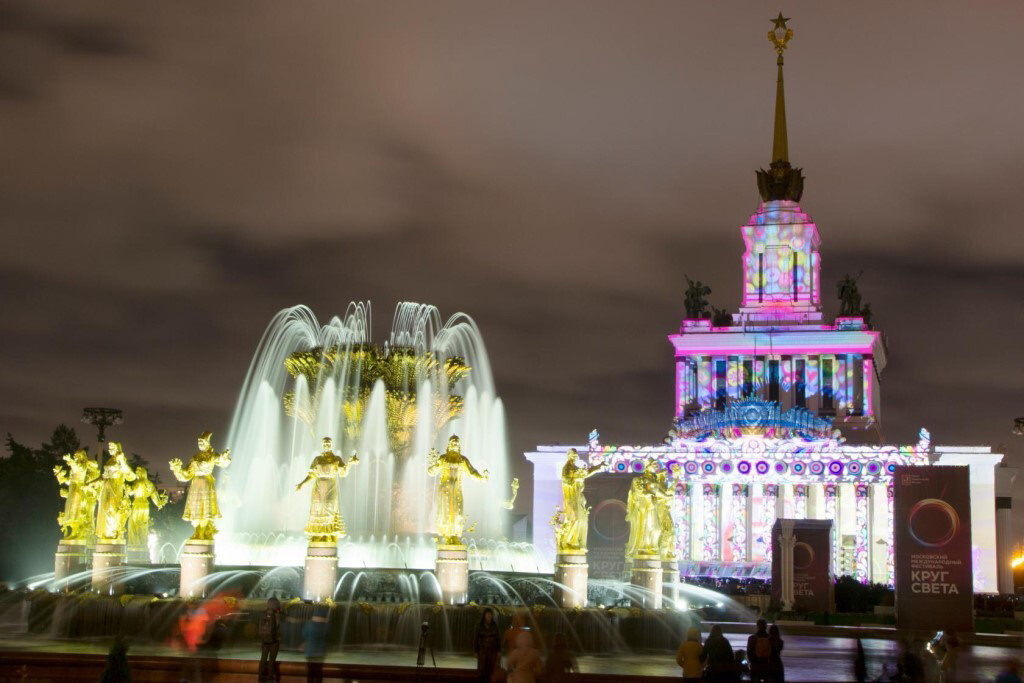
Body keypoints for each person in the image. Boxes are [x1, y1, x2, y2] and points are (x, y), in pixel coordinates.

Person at [303, 605, 330, 683]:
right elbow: (328, 637)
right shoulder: (326, 626)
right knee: (319, 671)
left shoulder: (309, 624)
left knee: (310, 672)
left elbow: (304, 635)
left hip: (310, 652)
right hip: (321, 652)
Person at [258, 597, 283, 683]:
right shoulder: (276, 614)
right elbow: (278, 626)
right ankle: (270, 679)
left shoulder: (263, 613)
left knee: (263, 659)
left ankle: (260, 679)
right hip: (274, 641)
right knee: (271, 661)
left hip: (264, 640)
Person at [474, 608, 500, 683]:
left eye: (490, 614)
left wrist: (499, 650)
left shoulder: (495, 626)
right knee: (482, 669)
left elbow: (498, 638)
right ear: (484, 615)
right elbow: (476, 639)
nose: (489, 616)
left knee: (491, 668)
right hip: (483, 650)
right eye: (487, 614)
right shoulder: (479, 625)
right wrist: (475, 651)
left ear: (492, 616)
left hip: (493, 650)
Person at [747, 619, 772, 683]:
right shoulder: (770, 638)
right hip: (767, 665)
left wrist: (753, 662)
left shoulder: (752, 638)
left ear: (757, 626)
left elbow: (749, 653)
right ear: (766, 626)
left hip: (756, 665)